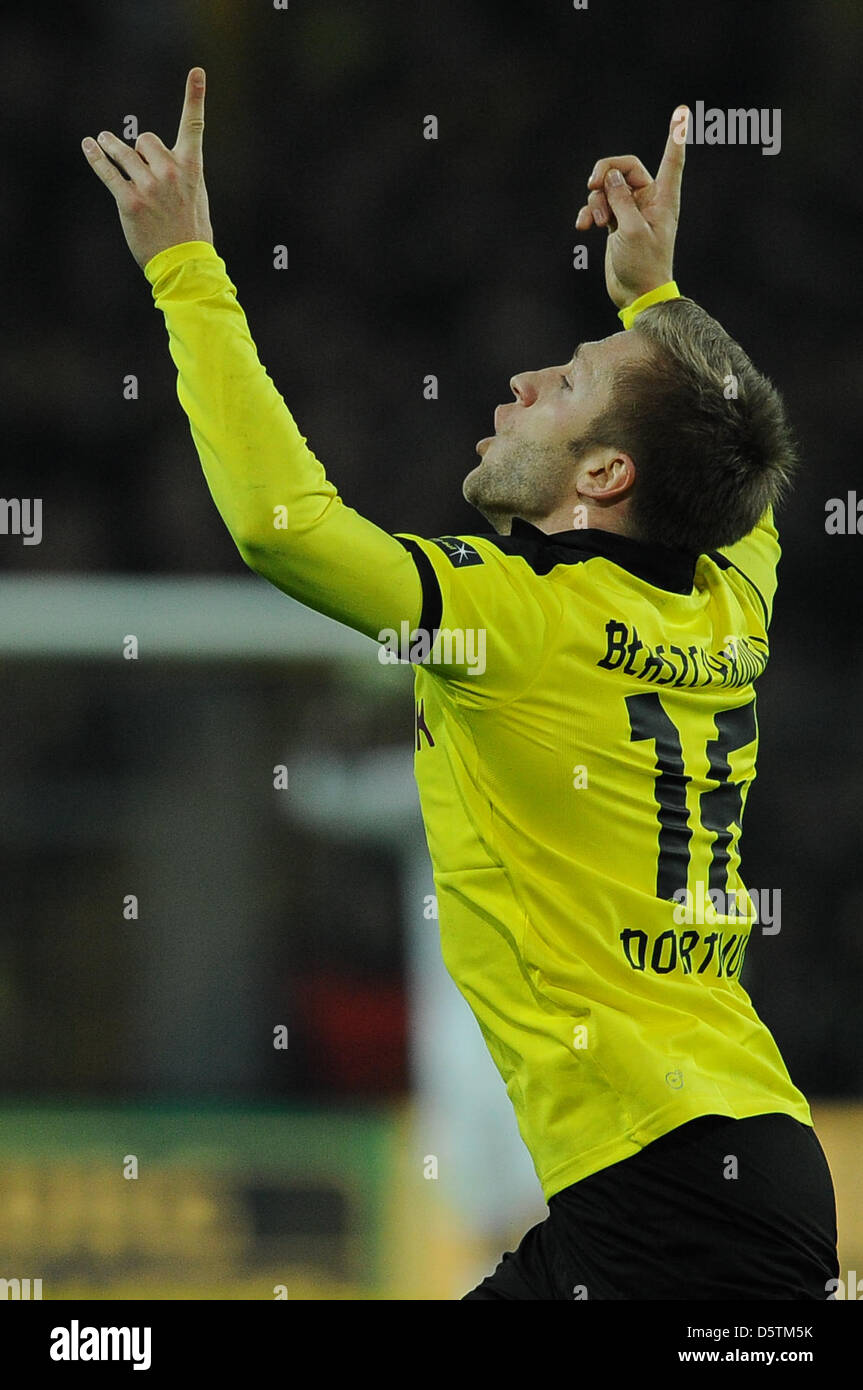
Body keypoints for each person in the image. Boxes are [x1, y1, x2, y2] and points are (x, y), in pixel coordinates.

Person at [82, 71, 839, 1300]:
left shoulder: (518, 619)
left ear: (601, 474)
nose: (528, 381)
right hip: (715, 1178)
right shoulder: (723, 607)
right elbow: (747, 434)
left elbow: (285, 528)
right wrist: (653, 298)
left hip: (671, 1208)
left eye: (570, 380)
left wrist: (185, 268)